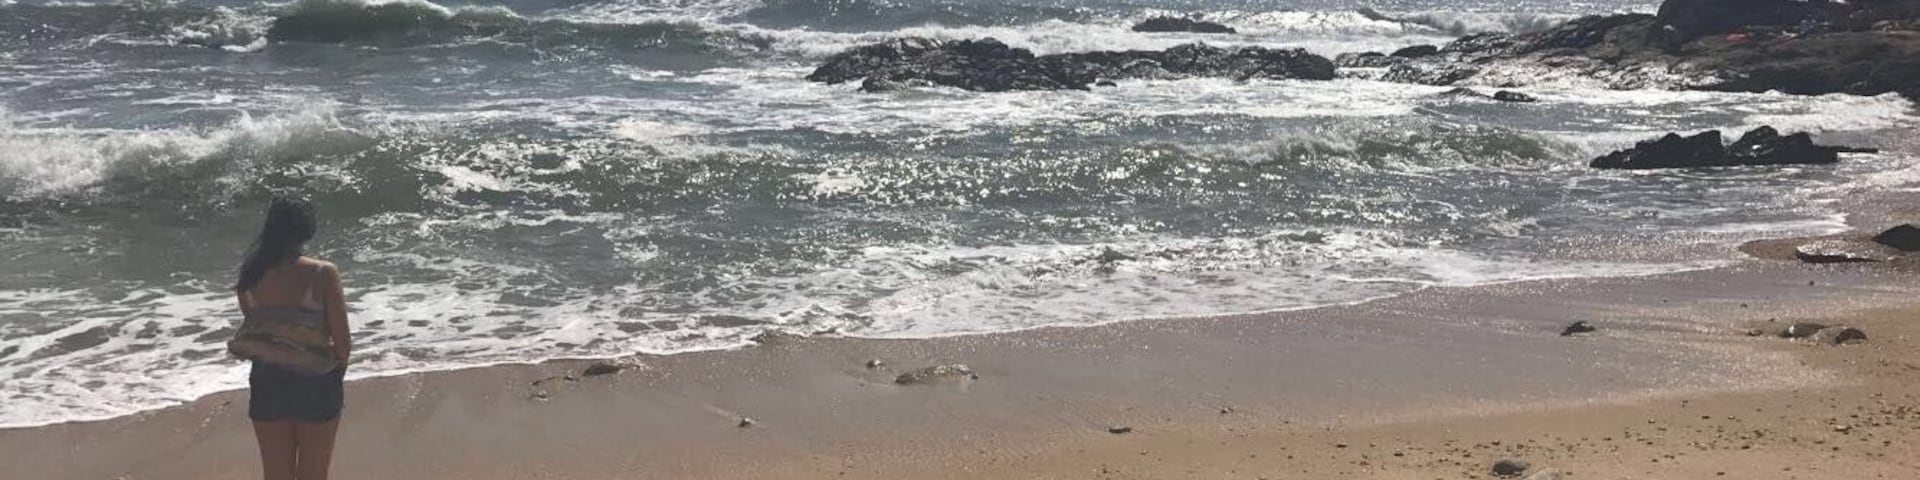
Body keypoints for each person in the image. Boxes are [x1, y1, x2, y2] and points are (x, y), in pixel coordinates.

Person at [233, 194, 350, 480]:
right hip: (315, 380)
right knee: (313, 474)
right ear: (306, 229)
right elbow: (343, 344)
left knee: (275, 474)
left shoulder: (251, 273)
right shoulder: (322, 273)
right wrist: (336, 374)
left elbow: (256, 326)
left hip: (267, 380)